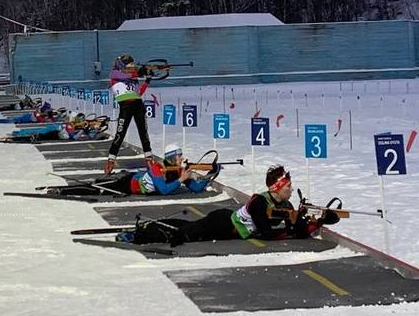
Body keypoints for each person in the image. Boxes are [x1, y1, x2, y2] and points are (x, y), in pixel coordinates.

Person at [119, 164, 338, 245]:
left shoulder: (287, 205)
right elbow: (268, 235)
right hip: (223, 223)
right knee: (183, 235)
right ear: (276, 188)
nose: (291, 189)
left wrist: (318, 221)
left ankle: (149, 227)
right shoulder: (259, 202)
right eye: (287, 186)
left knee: (185, 226)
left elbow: (296, 232)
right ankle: (138, 236)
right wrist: (294, 224)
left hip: (227, 229)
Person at [50, 145, 217, 197]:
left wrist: (210, 176)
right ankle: (61, 191)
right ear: (172, 158)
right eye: (179, 156)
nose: (182, 159)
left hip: (134, 183)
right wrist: (181, 180)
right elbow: (164, 190)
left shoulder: (177, 171)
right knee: (96, 188)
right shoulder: (157, 167)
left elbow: (195, 188)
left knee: (98, 187)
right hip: (128, 184)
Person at [105, 54, 154, 174]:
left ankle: (149, 158)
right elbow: (125, 75)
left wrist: (147, 80)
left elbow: (138, 93)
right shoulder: (115, 74)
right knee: (120, 134)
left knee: (144, 133)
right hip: (125, 106)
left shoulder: (133, 77)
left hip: (138, 104)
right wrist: (139, 72)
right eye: (130, 64)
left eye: (133, 64)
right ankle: (111, 160)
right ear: (122, 65)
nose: (133, 66)